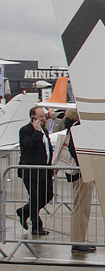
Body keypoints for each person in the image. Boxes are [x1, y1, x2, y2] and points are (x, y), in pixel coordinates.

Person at [57, 109, 95, 252]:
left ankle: (78, 239)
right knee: (81, 208)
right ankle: (78, 240)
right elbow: (75, 150)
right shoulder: (77, 128)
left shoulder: (70, 128)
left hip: (77, 173)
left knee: (80, 206)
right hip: (80, 173)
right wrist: (85, 165)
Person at [17, 105, 54, 236]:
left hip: (45, 169)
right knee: (35, 197)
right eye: (41, 116)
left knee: (48, 195)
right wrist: (37, 132)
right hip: (31, 171)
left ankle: (24, 211)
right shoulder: (25, 130)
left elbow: (47, 149)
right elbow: (29, 145)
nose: (44, 118)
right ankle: (36, 226)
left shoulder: (44, 130)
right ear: (34, 118)